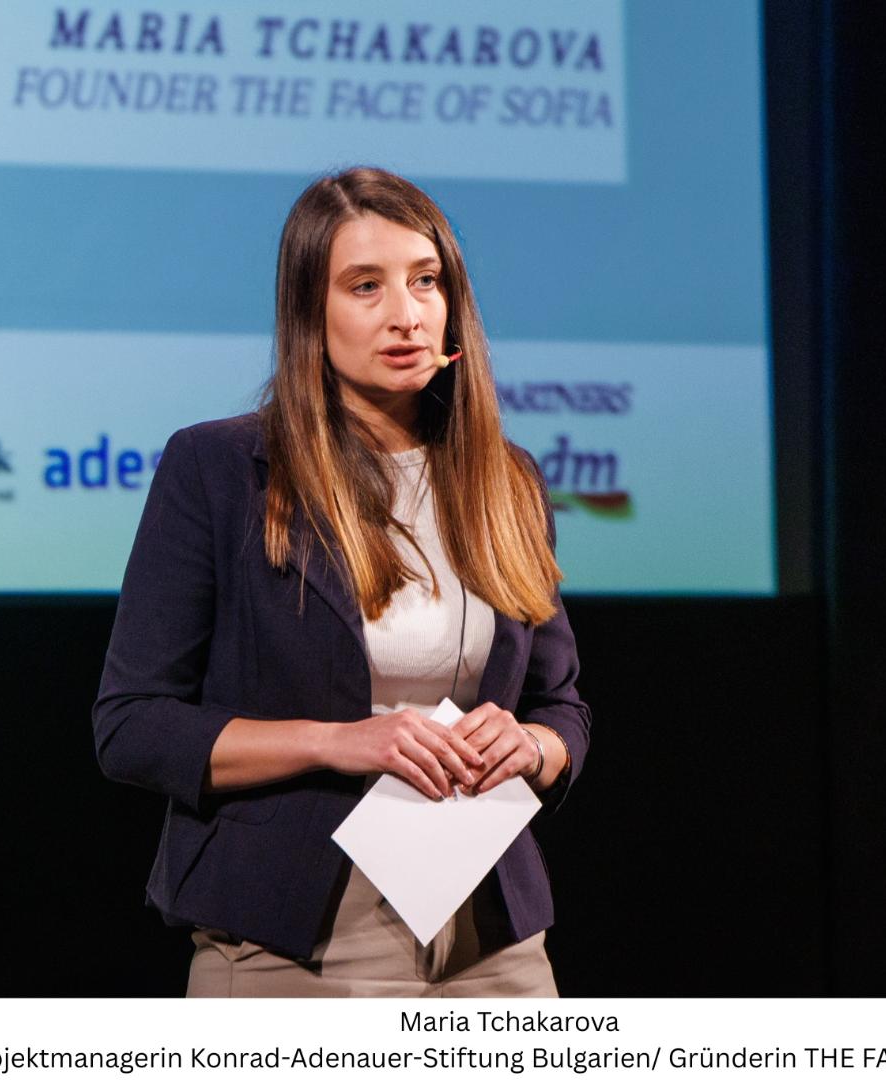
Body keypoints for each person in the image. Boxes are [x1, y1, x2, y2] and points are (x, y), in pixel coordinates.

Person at [92, 166, 590, 997]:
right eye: (365, 286)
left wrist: (533, 747)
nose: (406, 314)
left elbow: (560, 705)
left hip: (490, 938)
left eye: (425, 281)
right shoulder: (220, 469)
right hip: (297, 938)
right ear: (308, 313)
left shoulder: (507, 480)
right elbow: (133, 726)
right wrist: (337, 740)